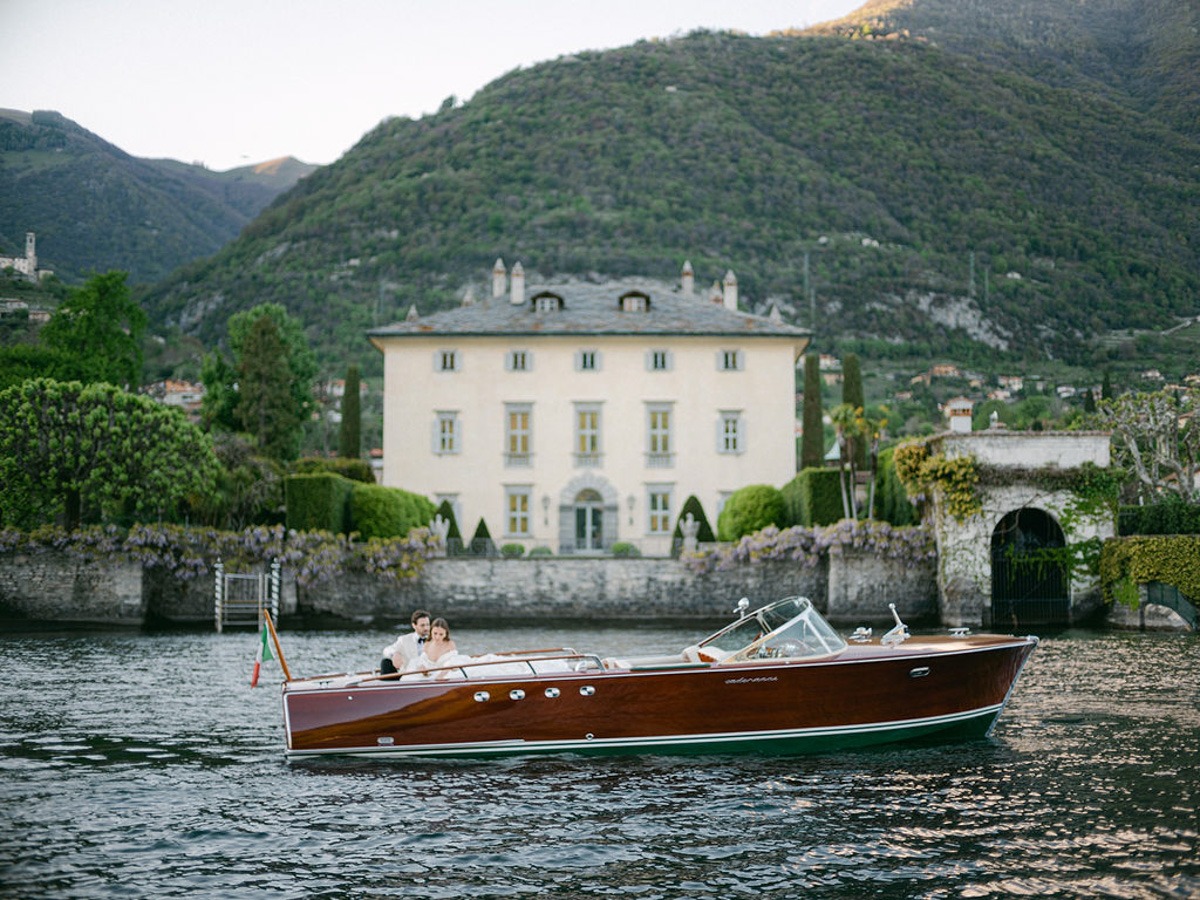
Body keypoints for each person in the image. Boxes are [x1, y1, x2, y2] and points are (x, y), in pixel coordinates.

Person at [380, 609, 431, 676]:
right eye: (422, 625)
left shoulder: (435, 639)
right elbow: (386, 650)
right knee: (385, 662)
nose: (426, 628)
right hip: (408, 676)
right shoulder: (404, 640)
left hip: (429, 675)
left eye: (427, 625)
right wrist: (395, 654)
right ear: (414, 625)